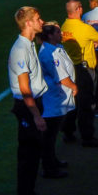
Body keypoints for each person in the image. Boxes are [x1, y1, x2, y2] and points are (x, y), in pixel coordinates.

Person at [8, 6, 49, 195]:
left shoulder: (29, 45)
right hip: (27, 108)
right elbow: (25, 89)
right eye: (39, 19)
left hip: (33, 105)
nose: (42, 22)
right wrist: (36, 115)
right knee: (28, 154)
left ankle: (29, 194)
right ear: (28, 23)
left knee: (34, 152)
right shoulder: (20, 49)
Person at [61, 0, 98, 147]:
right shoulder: (85, 28)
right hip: (84, 68)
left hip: (69, 68)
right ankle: (87, 136)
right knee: (86, 104)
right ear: (79, 9)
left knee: (72, 102)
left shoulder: (65, 26)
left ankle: (68, 132)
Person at [37, 22, 76, 179]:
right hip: (53, 100)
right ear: (50, 35)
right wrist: (74, 86)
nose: (61, 34)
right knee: (49, 136)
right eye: (58, 32)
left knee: (52, 136)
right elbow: (61, 77)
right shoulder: (49, 53)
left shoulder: (55, 48)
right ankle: (49, 168)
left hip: (58, 98)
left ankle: (53, 161)